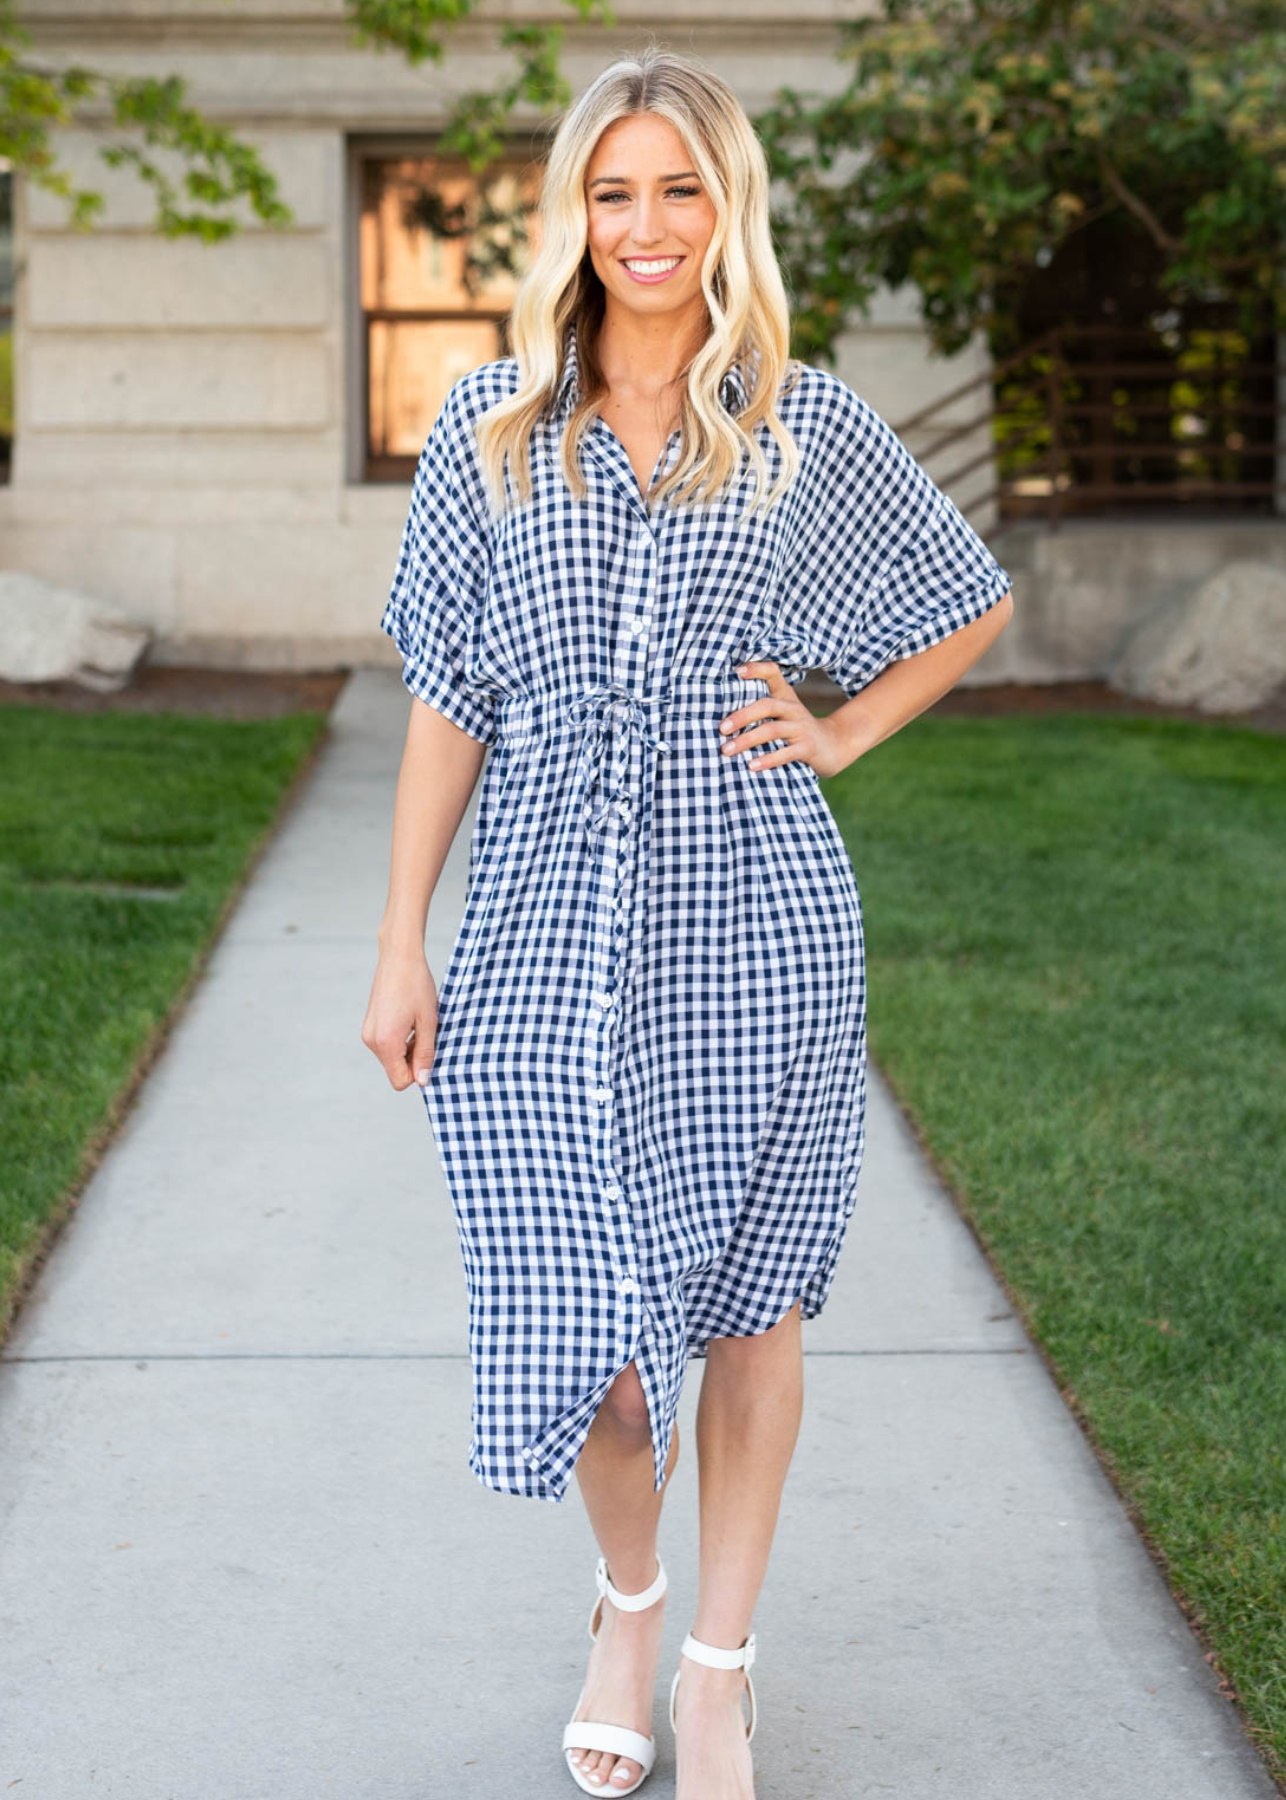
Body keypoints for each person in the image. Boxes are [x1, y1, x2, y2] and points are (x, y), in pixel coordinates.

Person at [361, 46, 1013, 1800]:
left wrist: (842, 725)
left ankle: (714, 1670)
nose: (645, 227)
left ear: (726, 209)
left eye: (679, 188)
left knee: (740, 1312)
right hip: (540, 934)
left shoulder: (806, 425)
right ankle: (628, 1601)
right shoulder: (492, 431)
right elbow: (447, 696)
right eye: (611, 189)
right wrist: (399, 935)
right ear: (572, 210)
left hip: (754, 922)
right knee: (589, 1334)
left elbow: (965, 597)